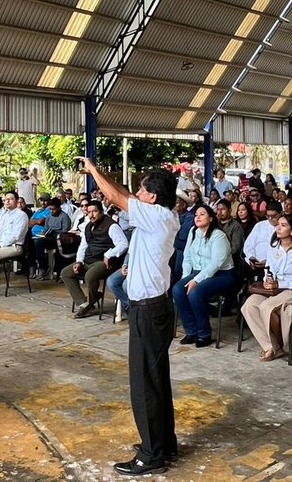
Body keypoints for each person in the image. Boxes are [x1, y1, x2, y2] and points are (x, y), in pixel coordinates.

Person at [79, 157, 180, 476]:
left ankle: (152, 456)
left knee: (144, 384)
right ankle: (164, 444)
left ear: (152, 197)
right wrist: (103, 175)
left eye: (141, 189)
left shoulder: (156, 216)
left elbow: (114, 197)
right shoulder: (160, 214)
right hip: (155, 307)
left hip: (149, 311)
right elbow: (122, 194)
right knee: (157, 379)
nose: (136, 193)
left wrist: (95, 171)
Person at [241, 213, 292, 361]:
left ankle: (279, 345)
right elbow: (270, 270)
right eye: (278, 224)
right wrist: (269, 280)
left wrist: (280, 284)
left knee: (266, 306)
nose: (278, 228)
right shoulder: (274, 248)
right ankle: (270, 346)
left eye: (283, 225)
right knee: (249, 305)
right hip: (275, 289)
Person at [172, 206, 234, 347]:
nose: (197, 217)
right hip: (198, 272)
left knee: (195, 293)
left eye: (202, 214)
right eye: (196, 215)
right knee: (178, 289)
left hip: (221, 275)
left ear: (211, 218)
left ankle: (204, 334)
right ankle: (191, 331)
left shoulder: (219, 236)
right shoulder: (193, 232)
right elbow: (187, 257)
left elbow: (215, 264)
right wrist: (186, 277)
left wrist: (196, 280)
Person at [63, 201, 128, 317]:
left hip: (104, 262)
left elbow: (123, 244)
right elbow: (83, 246)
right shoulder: (88, 226)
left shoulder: (111, 225)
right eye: (89, 212)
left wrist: (109, 254)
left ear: (101, 212)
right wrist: (79, 261)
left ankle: (91, 301)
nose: (91, 215)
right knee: (66, 273)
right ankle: (85, 303)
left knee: (90, 275)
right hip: (88, 260)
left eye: (95, 211)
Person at [29, 198, 72, 280]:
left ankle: (43, 268)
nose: (52, 211)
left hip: (59, 239)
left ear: (59, 208)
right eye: (50, 209)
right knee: (32, 241)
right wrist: (43, 233)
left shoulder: (64, 217)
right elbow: (46, 229)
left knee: (38, 242)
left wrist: (54, 232)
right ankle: (35, 266)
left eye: (54, 209)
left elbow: (65, 232)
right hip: (48, 237)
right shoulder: (49, 217)